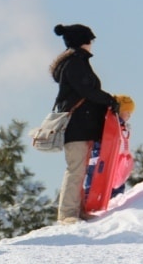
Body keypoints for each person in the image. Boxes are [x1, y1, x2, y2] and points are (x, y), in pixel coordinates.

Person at [50, 24, 119, 224]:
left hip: (82, 125)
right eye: (91, 40)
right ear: (84, 41)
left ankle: (77, 210)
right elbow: (87, 90)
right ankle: (67, 214)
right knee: (76, 169)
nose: (92, 44)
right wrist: (110, 100)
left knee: (79, 169)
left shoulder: (77, 61)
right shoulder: (75, 63)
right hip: (76, 125)